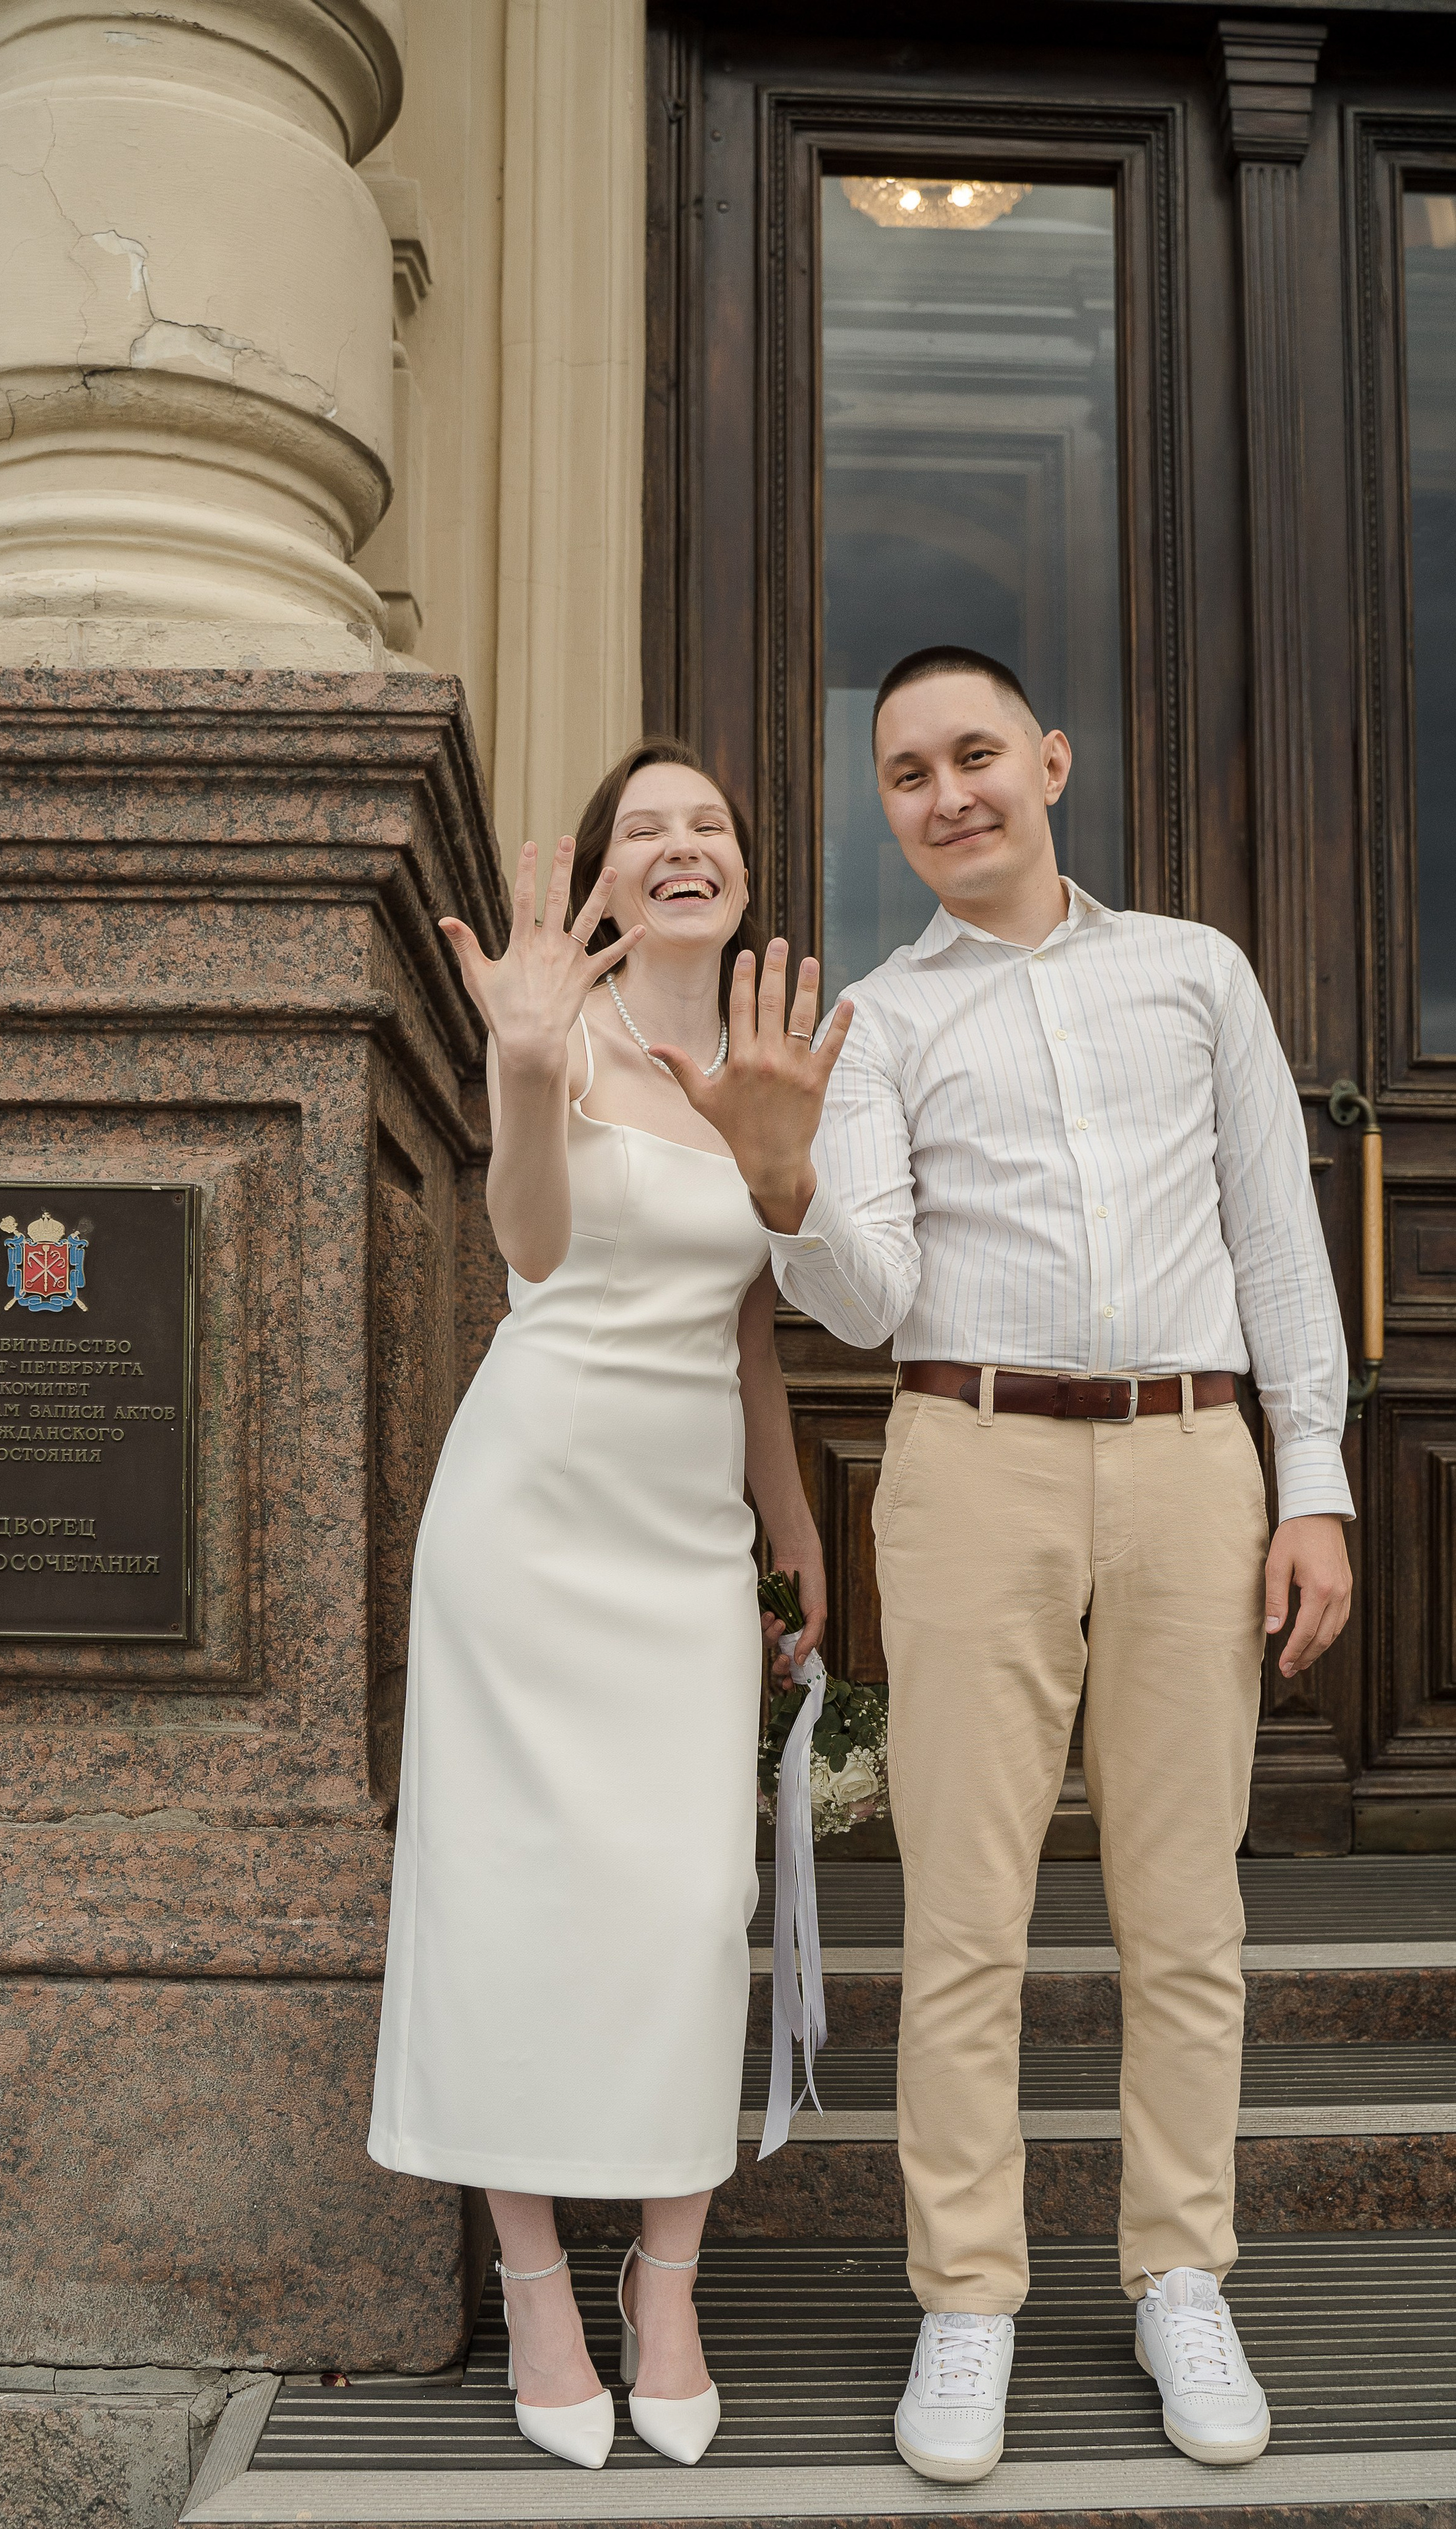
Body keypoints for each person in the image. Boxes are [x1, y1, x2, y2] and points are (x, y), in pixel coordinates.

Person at [662, 646, 1355, 2485]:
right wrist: (788, 1180)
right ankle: (968, 2299)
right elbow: (870, 1296)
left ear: (1048, 763)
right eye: (907, 774)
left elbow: (1278, 1244)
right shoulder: (879, 1024)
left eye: (977, 754)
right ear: (884, 809)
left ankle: (1178, 2275)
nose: (949, 793)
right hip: (969, 1460)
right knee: (964, 1918)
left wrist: (1317, 1483)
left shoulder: (1193, 971)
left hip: (1198, 1461)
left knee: (1184, 1913)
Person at [366, 739, 851, 2470]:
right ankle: (534, 2284)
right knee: (509, 1892)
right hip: (531, 1516)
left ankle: (665, 2278)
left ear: (743, 870)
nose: (679, 846)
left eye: (709, 824)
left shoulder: (770, 1065)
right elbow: (538, 1246)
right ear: (606, 874)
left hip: (678, 1546)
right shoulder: (551, 1032)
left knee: (682, 1900)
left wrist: (790, 1532)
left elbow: (752, 1337)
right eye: (645, 827)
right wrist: (518, 1069)